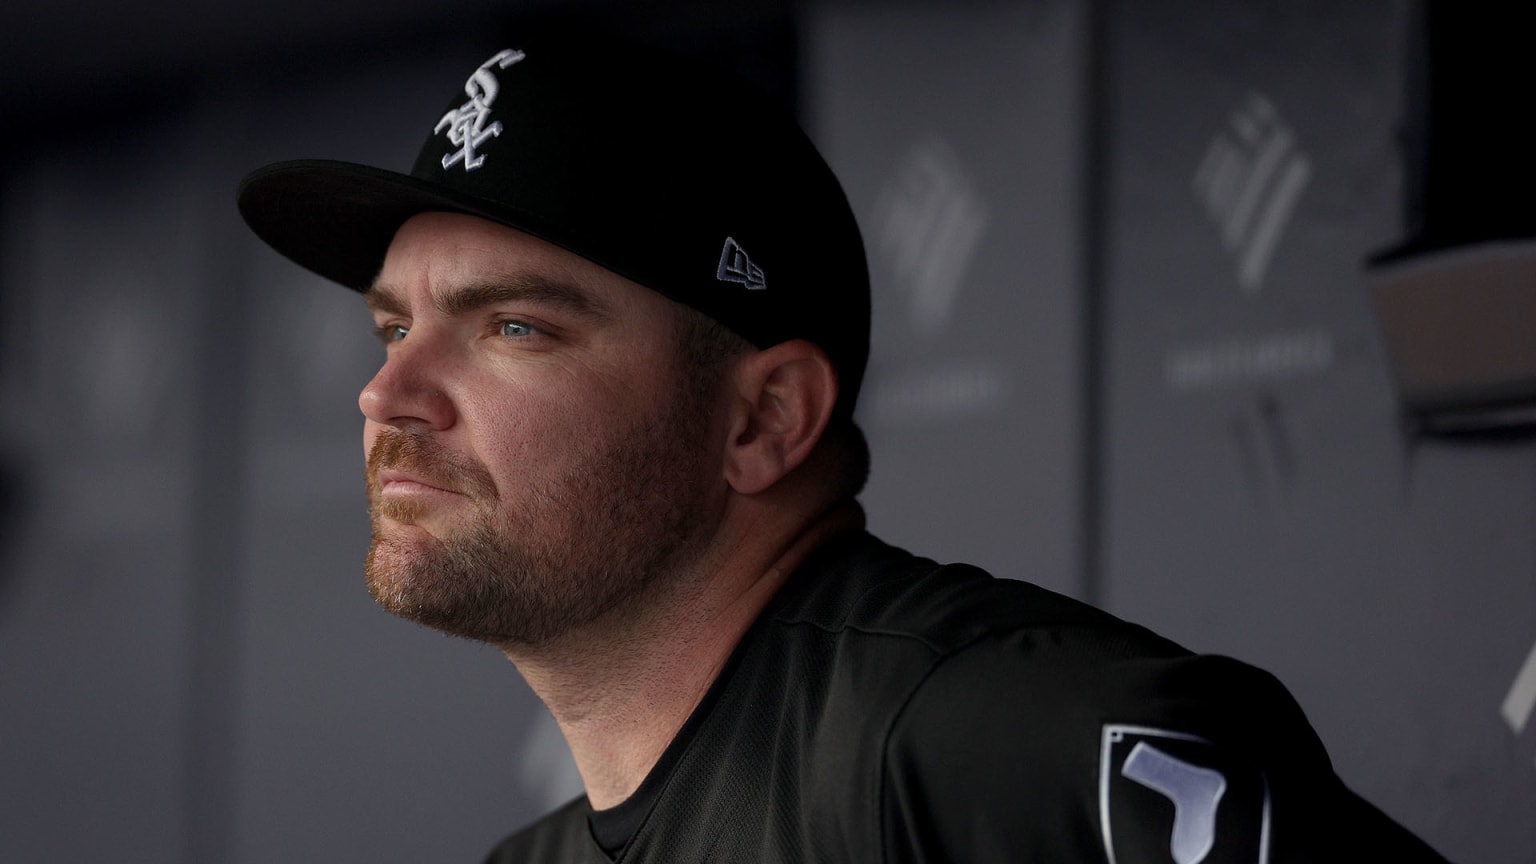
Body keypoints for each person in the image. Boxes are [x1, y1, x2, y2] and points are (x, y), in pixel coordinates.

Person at [238, 30, 1450, 864]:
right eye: (395, 325)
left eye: (512, 327)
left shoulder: (999, 745)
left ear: (763, 421)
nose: (387, 392)